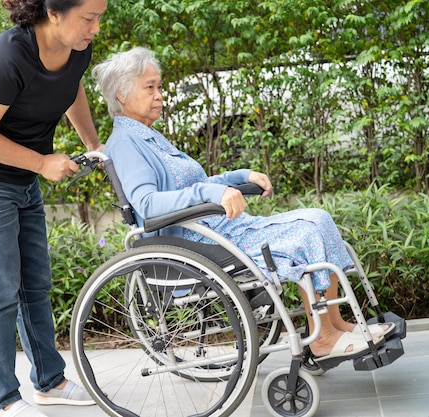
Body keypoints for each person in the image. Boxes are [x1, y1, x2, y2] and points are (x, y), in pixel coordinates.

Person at [93, 47, 394, 368]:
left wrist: (240, 177)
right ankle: (322, 339)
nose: (159, 95)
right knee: (307, 231)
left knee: (317, 219)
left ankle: (333, 326)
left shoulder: (149, 137)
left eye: (160, 87)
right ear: (122, 94)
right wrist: (212, 190)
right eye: (150, 87)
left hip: (216, 229)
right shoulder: (126, 143)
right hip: (197, 242)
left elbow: (196, 184)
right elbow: (149, 205)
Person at [0, 1, 107, 416]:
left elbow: (73, 89)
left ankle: (49, 382)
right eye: (89, 17)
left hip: (20, 178)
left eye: (100, 16)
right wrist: (41, 162)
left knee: (34, 284)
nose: (96, 28)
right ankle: (3, 399)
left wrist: (93, 145)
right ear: (53, 12)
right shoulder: (9, 57)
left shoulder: (77, 48)